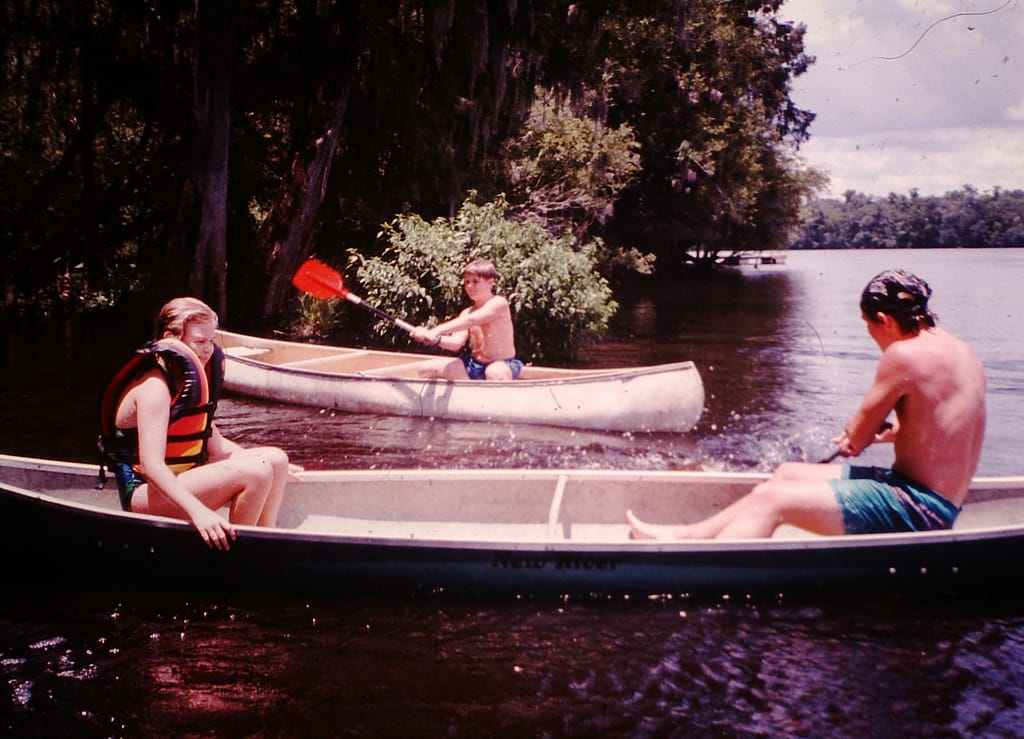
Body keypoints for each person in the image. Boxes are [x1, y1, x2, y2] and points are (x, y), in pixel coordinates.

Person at [627, 269, 986, 540]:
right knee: (786, 473)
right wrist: (890, 434)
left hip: (918, 508)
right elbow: (941, 431)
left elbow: (856, 438)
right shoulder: (962, 351)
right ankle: (687, 537)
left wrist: (856, 439)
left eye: (868, 326)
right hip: (939, 499)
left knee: (773, 498)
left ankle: (698, 569)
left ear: (884, 320)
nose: (871, 335)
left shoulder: (903, 355)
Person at [99, 297, 302, 550]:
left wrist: (275, 468)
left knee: (274, 460)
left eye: (211, 341)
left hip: (180, 479)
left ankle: (265, 542)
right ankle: (236, 556)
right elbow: (152, 466)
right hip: (144, 494)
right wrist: (199, 513)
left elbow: (218, 448)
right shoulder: (155, 387)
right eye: (200, 341)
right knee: (256, 472)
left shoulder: (185, 382)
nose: (208, 349)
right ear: (171, 338)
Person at [409, 259, 523, 380]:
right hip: (474, 365)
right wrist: (434, 339)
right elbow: (455, 343)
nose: (469, 286)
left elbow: (472, 320)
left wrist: (435, 331)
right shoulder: (467, 312)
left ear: (491, 282)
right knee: (425, 369)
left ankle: (491, 395)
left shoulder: (499, 303)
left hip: (503, 364)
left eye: (475, 281)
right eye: (467, 282)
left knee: (494, 372)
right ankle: (472, 393)